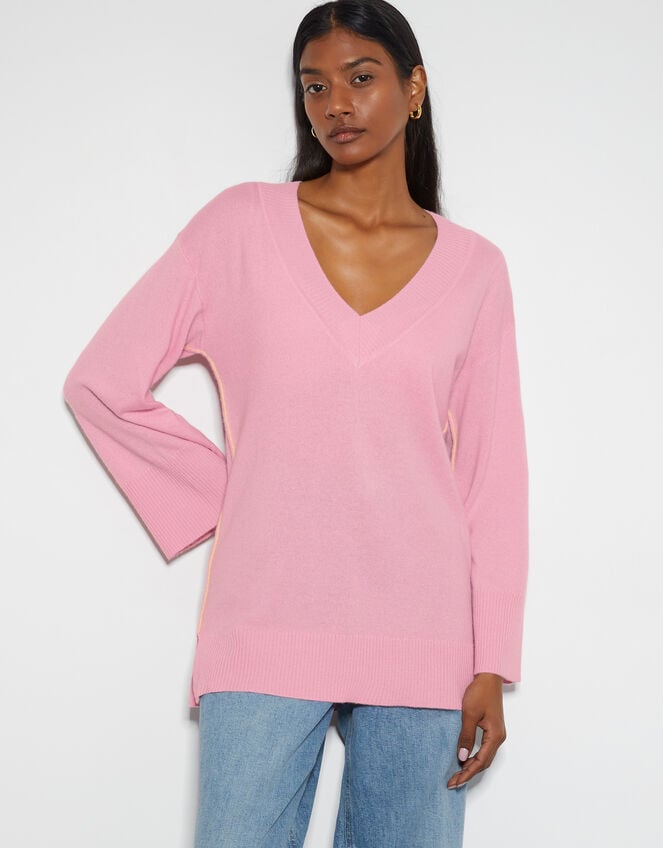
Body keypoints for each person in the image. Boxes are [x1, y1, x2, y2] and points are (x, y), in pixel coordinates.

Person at [62, 1, 529, 845]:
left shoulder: (474, 270)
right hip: (265, 623)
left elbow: (492, 480)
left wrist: (490, 660)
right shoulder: (239, 226)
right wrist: (232, 500)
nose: (335, 104)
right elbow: (101, 382)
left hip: (422, 636)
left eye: (360, 78)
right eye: (314, 86)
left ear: (413, 89)